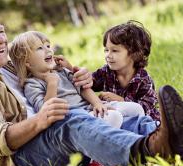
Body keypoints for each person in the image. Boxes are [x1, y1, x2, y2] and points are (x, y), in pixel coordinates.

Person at [0, 8, 183, 166]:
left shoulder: (10, 62)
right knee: (71, 119)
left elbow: (49, 68)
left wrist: (79, 78)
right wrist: (40, 121)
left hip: (57, 138)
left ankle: (170, 140)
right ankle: (150, 151)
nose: (1, 38)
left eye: (1, 30)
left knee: (126, 119)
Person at [9, 31, 145, 130]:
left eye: (48, 46)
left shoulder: (61, 71)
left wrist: (98, 103)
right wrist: (52, 84)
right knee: (114, 117)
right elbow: (45, 111)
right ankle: (99, 160)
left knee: (136, 108)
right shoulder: (32, 84)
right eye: (40, 48)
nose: (48, 50)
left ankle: (141, 135)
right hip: (77, 119)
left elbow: (83, 88)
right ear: (27, 62)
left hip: (91, 108)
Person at [92, 20, 160, 121]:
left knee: (149, 123)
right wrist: (71, 69)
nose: (108, 55)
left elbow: (147, 107)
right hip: (117, 119)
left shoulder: (143, 79)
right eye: (106, 50)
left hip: (140, 120)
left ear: (134, 53)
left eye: (114, 50)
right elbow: (88, 82)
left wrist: (121, 100)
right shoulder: (106, 72)